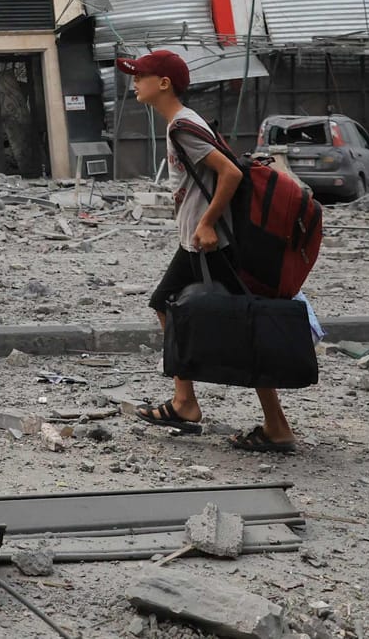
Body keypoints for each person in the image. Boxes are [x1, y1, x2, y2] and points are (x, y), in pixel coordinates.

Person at [123, 49, 296, 453]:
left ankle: (270, 423)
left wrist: (204, 223)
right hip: (202, 241)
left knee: (236, 321)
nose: (134, 82)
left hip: (211, 242)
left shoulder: (183, 126)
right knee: (171, 305)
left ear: (163, 83)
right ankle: (188, 402)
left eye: (140, 75)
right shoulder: (184, 123)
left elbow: (231, 172)